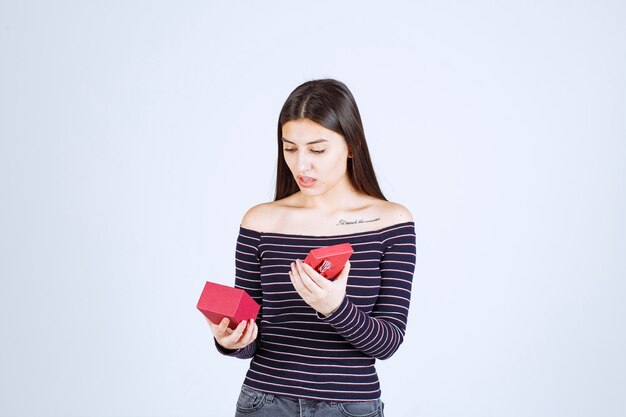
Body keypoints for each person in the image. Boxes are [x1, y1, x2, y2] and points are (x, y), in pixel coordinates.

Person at [206, 79, 416, 417]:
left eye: (317, 150)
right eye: (290, 148)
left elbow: (388, 343)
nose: (302, 165)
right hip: (264, 401)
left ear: (351, 146)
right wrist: (232, 340)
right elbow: (252, 336)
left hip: (349, 406)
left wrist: (335, 308)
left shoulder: (390, 222)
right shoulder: (260, 222)